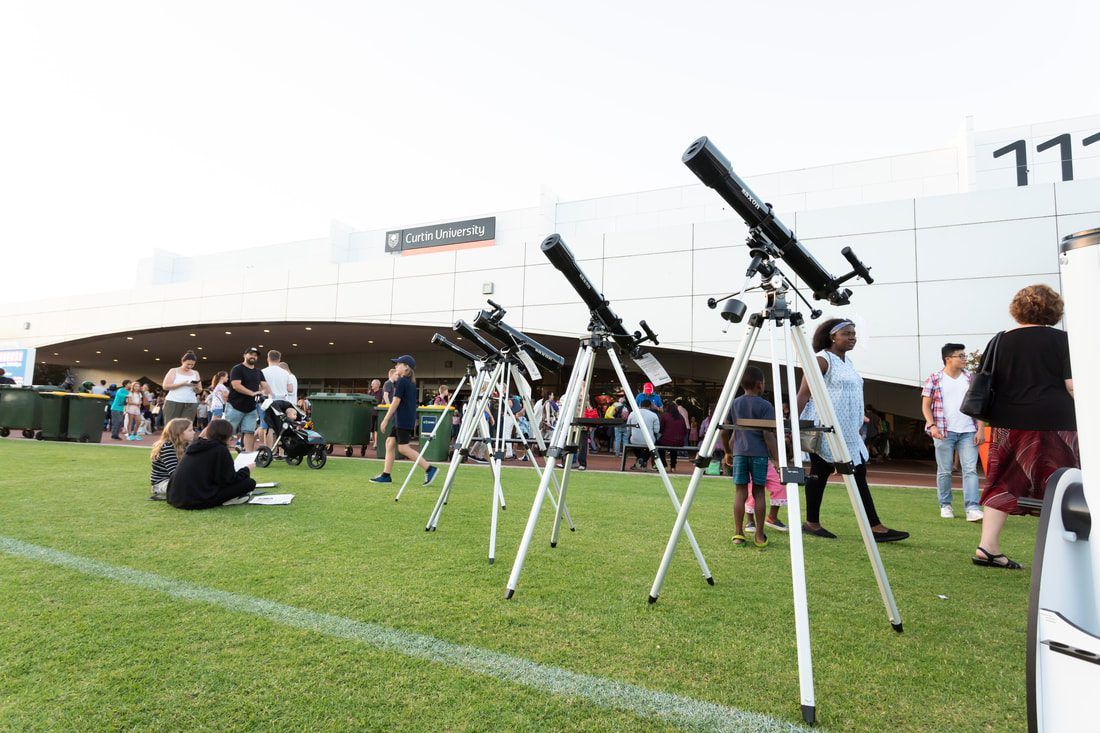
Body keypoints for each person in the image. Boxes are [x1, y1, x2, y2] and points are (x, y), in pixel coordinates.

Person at [974, 284, 1078, 570]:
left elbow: (988, 382)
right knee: (1061, 483)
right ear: (1054, 310)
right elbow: (1072, 386)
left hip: (1008, 422)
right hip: (1055, 421)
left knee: (1003, 480)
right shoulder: (1063, 340)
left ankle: (988, 547)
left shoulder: (999, 340)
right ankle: (1063, 555)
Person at [797, 319, 909, 542]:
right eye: (847, 334)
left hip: (848, 432)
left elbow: (851, 394)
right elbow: (803, 394)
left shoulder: (848, 363)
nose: (852, 337)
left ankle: (873, 526)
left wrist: (861, 415)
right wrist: (790, 425)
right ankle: (814, 523)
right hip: (824, 429)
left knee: (857, 474)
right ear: (832, 337)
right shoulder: (821, 360)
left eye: (854, 334)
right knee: (820, 474)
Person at [921, 343, 985, 522]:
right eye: (961, 356)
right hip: (943, 431)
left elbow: (979, 406)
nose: (965, 359)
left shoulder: (971, 379)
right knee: (945, 471)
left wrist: (980, 429)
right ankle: (945, 505)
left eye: (965, 356)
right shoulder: (934, 379)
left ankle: (972, 508)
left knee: (970, 470)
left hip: (969, 431)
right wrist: (932, 425)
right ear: (948, 359)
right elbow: (926, 405)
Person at [721, 367, 779, 547]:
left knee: (740, 492)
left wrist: (727, 451)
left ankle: (739, 534)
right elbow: (768, 435)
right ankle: (759, 535)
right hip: (760, 455)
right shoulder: (766, 406)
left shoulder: (735, 403)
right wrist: (777, 459)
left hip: (739, 453)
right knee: (759, 492)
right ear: (760, 385)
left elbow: (724, 429)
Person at [370, 355, 438, 486]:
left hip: (402, 420)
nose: (395, 366)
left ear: (406, 367)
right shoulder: (408, 382)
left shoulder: (402, 382)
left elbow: (395, 402)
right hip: (403, 419)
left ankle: (430, 469)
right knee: (390, 443)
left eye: (398, 364)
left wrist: (385, 420)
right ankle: (386, 475)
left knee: (403, 448)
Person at [167, 418, 256, 509]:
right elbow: (228, 480)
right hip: (196, 500)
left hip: (175, 497)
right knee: (249, 483)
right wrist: (246, 470)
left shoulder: (195, 446)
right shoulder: (220, 450)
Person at [225, 347, 268, 452]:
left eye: (255, 355)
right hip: (235, 406)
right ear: (244, 355)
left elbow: (265, 386)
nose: (253, 356)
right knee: (227, 432)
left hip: (251, 408)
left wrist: (265, 393)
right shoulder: (237, 369)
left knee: (249, 432)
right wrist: (252, 393)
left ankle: (248, 456)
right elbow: (236, 385)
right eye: (251, 354)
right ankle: (222, 453)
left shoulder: (258, 372)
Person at [149, 417, 195, 501]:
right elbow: (174, 473)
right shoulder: (168, 447)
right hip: (162, 483)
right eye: (190, 430)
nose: (194, 432)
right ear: (179, 432)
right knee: (193, 488)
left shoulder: (186, 446)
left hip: (175, 480)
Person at [160, 351, 202, 424]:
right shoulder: (173, 370)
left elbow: (199, 390)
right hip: (173, 401)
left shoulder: (195, 373)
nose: (190, 366)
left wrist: (196, 388)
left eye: (192, 365)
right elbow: (165, 386)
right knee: (171, 426)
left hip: (190, 402)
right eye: (188, 364)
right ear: (182, 361)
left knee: (186, 426)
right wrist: (183, 384)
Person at [627, 399, 661, 470]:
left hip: (634, 440)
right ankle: (643, 460)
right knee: (652, 445)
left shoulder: (632, 413)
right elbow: (656, 430)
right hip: (649, 440)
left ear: (640, 405)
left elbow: (628, 429)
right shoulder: (654, 415)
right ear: (650, 406)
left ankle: (640, 460)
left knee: (633, 442)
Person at [656, 405, 686, 471]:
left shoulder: (665, 416)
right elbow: (685, 431)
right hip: (679, 441)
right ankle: (673, 467)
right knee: (674, 450)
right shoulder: (681, 417)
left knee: (659, 448)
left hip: (667, 440)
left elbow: (661, 429)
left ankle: (664, 465)